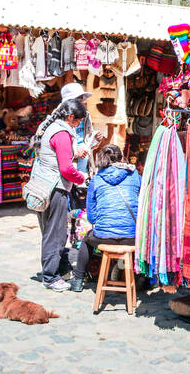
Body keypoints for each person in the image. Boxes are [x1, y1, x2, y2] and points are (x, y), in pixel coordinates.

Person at [31, 90, 88, 292]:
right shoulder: (62, 134)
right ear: (70, 117)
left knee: (51, 232)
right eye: (77, 122)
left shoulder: (53, 128)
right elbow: (66, 169)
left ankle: (53, 271)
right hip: (55, 188)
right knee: (55, 234)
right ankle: (51, 276)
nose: (78, 125)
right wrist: (82, 179)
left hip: (44, 185)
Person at [71, 144, 141, 292]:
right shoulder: (134, 175)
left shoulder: (96, 179)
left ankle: (78, 280)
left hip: (104, 236)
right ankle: (143, 278)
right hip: (133, 236)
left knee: (86, 240)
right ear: (122, 158)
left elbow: (92, 217)